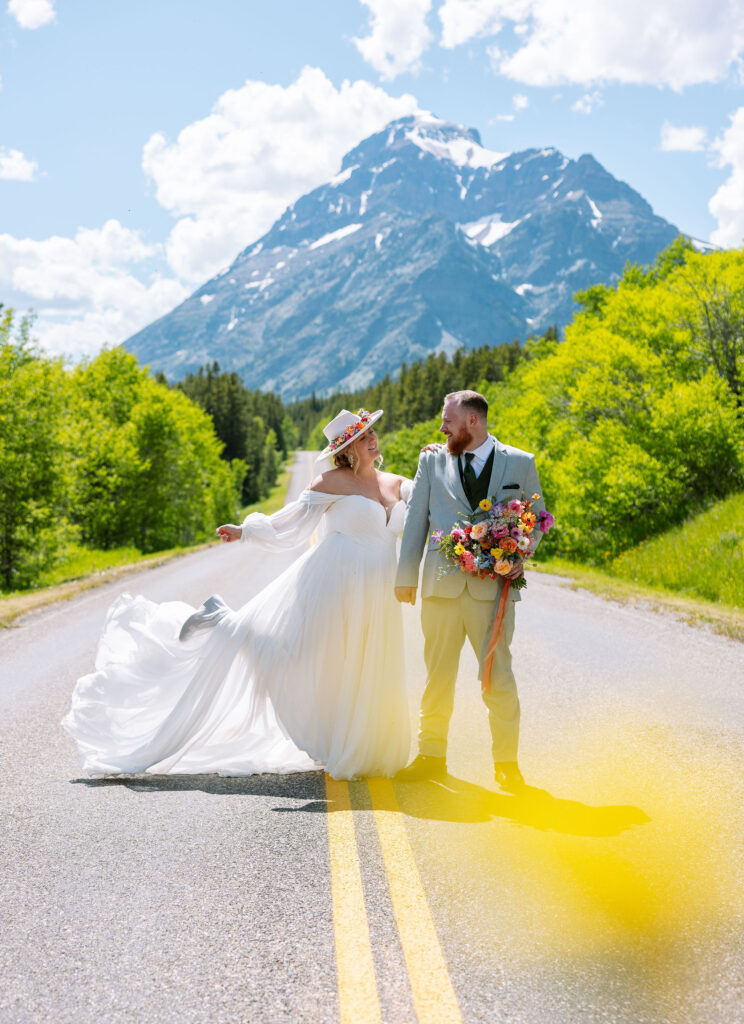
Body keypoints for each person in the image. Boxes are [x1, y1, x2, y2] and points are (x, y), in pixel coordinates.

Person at [62, 409, 411, 781]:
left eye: (372, 433)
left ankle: (367, 745)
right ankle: (221, 621)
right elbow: (290, 521)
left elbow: (431, 500)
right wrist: (245, 530)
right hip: (335, 581)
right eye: (363, 437)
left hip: (379, 591)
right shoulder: (331, 481)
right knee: (296, 656)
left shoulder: (396, 483)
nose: (372, 440)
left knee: (360, 665)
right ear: (348, 450)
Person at [394, 390, 545, 792]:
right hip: (440, 589)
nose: (442, 427)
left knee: (498, 677)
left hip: (492, 591)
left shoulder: (520, 462)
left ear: (472, 422)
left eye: (448, 419)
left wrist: (520, 556)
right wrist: (406, 576)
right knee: (437, 677)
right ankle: (430, 757)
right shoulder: (431, 459)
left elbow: (535, 520)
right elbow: (416, 520)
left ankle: (507, 765)